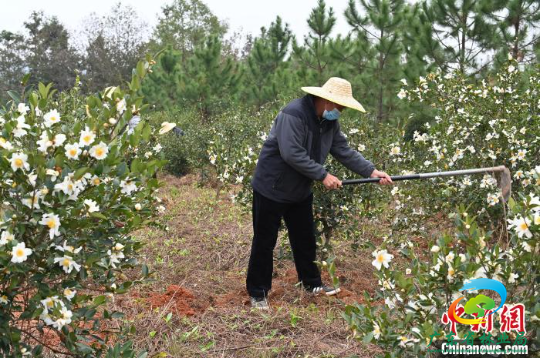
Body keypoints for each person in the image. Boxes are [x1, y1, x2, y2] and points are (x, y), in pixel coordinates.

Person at [246, 77, 394, 310]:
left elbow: (343, 150)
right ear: (326, 100)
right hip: (271, 187)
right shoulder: (293, 114)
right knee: (265, 241)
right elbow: (291, 152)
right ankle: (258, 293)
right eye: (340, 106)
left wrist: (371, 171)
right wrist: (323, 175)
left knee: (305, 239)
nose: (341, 111)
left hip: (299, 190)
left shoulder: (328, 122)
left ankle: (311, 284)